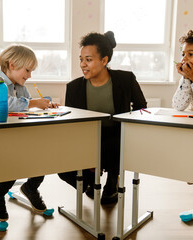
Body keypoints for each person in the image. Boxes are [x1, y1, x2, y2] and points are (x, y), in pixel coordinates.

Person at [58, 31, 147, 205]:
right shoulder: (74, 87)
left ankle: (113, 178)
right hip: (89, 138)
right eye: (81, 59)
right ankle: (90, 181)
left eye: (88, 60)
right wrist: (86, 156)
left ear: (104, 61)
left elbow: (140, 108)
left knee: (114, 147)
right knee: (62, 168)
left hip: (118, 137)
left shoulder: (125, 80)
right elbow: (72, 125)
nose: (83, 64)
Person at [0, 44, 60, 221]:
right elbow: (5, 104)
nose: (30, 75)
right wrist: (33, 103)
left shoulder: (20, 86)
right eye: (27, 70)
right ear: (12, 65)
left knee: (42, 155)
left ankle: (31, 187)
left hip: (18, 134)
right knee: (16, 160)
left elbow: (27, 105)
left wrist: (46, 105)